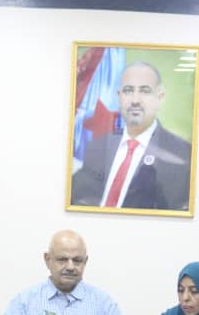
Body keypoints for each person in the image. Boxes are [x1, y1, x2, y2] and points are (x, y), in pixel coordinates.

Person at [70, 61, 192, 211]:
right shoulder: (98, 146)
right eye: (128, 90)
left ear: (159, 98)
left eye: (145, 91)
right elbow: (78, 198)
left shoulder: (182, 157)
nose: (135, 101)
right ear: (119, 97)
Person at [2, 230, 123, 315]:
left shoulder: (105, 305)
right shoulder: (24, 302)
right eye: (62, 259)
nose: (70, 267)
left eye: (77, 260)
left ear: (85, 261)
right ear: (47, 259)